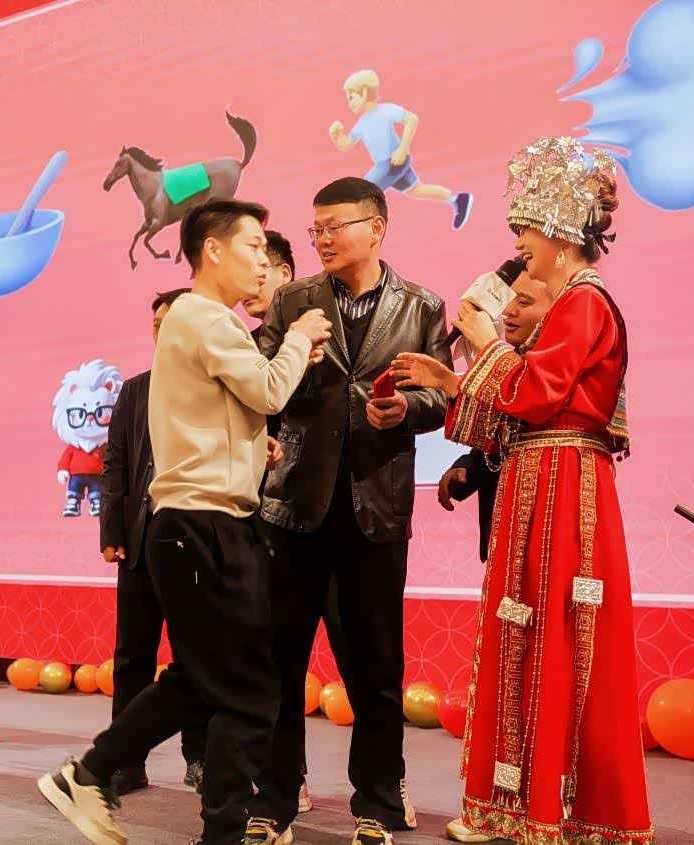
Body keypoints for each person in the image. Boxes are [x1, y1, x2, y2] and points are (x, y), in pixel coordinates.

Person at [37, 199, 332, 845]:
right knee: (248, 688)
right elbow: (267, 391)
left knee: (207, 678)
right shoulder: (204, 317)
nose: (263, 262)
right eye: (253, 247)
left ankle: (101, 778)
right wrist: (299, 337)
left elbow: (228, 409)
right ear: (213, 251)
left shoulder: (202, 322)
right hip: (203, 526)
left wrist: (251, 446)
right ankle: (114, 783)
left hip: (207, 522)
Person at [391, 136, 653, 845]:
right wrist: (452, 378)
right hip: (537, 477)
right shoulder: (571, 303)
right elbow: (518, 407)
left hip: (563, 482)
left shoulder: (583, 302)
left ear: (560, 233)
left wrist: (483, 343)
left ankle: (551, 809)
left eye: (526, 231)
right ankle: (511, 805)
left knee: (556, 633)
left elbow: (535, 394)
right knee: (526, 632)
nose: (518, 246)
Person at [247, 177, 450, 845]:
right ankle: (275, 800)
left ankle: (378, 802)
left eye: (335, 226)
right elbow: (262, 385)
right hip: (294, 502)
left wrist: (406, 409)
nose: (323, 240)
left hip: (375, 503)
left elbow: (441, 395)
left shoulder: (421, 305)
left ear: (376, 228)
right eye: (316, 230)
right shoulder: (292, 301)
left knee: (376, 665)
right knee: (279, 660)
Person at [247, 229, 354, 815]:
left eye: (259, 266)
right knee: (276, 657)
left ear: (285, 275)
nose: (251, 282)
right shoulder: (249, 347)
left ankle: (383, 785)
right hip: (273, 514)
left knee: (358, 652)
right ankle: (284, 782)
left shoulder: (325, 325)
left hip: (345, 513)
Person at [99, 286, 208, 796]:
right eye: (156, 324)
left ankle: (200, 756)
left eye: (171, 322)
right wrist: (112, 531)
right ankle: (126, 761)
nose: (161, 332)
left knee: (195, 657)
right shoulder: (135, 389)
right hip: (140, 542)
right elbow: (116, 463)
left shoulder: (211, 383)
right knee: (132, 657)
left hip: (193, 543)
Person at [437, 271, 555, 562]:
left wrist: (451, 380)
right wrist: (470, 467)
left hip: (547, 527)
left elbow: (535, 429)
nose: (509, 312)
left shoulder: (555, 370)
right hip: (503, 533)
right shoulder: (510, 364)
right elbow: (505, 438)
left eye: (524, 302)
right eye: (508, 301)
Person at [329, 69, 472, 230]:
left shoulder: (385, 111)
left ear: (364, 92)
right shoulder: (362, 122)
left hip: (392, 162)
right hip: (388, 164)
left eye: (351, 97)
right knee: (416, 190)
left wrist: (402, 149)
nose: (349, 103)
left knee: (362, 192)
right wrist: (337, 137)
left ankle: (337, 229)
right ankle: (457, 200)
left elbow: (412, 119)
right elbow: (347, 144)